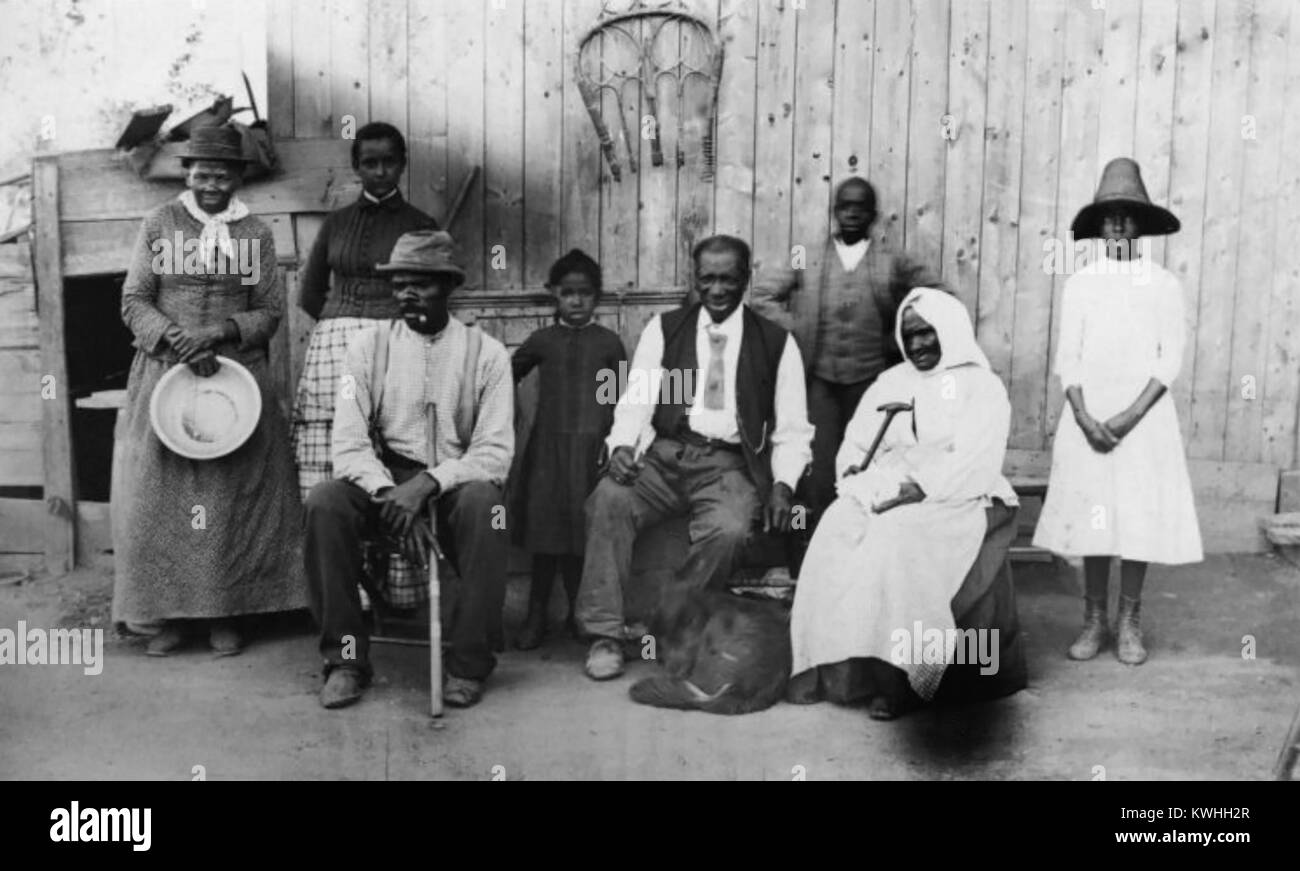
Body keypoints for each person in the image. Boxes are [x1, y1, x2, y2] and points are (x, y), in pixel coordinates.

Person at [576, 234, 814, 681]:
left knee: (730, 529)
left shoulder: (777, 343)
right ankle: (604, 634)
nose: (718, 290)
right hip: (665, 454)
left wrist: (783, 484)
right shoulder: (665, 329)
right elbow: (636, 400)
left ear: (746, 279)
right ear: (695, 279)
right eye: (708, 279)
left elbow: (793, 428)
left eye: (728, 279)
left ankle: (673, 626)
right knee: (608, 499)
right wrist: (622, 447)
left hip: (728, 465)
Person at [111, 125, 306, 656]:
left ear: (240, 176)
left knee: (229, 497)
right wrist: (176, 339)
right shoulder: (159, 223)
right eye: (202, 172)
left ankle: (227, 614)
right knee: (163, 498)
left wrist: (218, 334)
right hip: (166, 374)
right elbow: (134, 299)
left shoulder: (255, 234)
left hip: (235, 379)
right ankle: (170, 617)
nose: (212, 182)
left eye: (223, 173)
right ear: (186, 172)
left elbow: (269, 309)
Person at [787, 287, 1025, 720]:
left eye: (927, 333)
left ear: (949, 330)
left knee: (896, 538)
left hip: (957, 493)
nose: (917, 345)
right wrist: (855, 474)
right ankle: (831, 668)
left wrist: (922, 487)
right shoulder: (891, 382)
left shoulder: (981, 386)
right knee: (836, 525)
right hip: (890, 487)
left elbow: (977, 458)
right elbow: (857, 443)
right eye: (909, 334)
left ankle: (903, 679)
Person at [303, 230, 513, 710]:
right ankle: (346, 660)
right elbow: (349, 444)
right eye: (398, 285)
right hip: (385, 483)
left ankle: (468, 663)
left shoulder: (489, 355)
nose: (407, 295)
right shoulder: (366, 349)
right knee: (324, 503)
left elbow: (495, 452)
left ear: (448, 286)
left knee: (489, 508)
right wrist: (389, 492)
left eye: (421, 284)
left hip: (455, 483)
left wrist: (430, 483)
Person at [1033, 157, 1203, 666]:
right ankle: (1094, 619)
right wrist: (1085, 419)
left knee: (1137, 515)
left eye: (1129, 215)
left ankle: (1129, 620)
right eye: (1111, 217)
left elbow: (1166, 360)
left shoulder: (1163, 285)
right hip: (1090, 420)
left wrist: (1129, 417)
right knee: (1095, 516)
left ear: (1143, 225)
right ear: (1099, 226)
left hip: (1143, 421)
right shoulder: (1081, 284)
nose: (1120, 225)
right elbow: (1070, 360)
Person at [752, 178, 940, 532]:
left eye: (861, 207)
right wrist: (798, 327)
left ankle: (867, 539)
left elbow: (940, 295)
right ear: (834, 211)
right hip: (821, 378)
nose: (852, 213)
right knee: (820, 465)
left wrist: (902, 336)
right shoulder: (805, 253)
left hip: (871, 380)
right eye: (845, 206)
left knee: (872, 459)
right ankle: (817, 540)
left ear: (873, 214)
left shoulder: (892, 259)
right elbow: (762, 296)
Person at [509, 249, 627, 649]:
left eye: (586, 293)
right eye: (568, 293)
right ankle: (536, 614)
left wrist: (614, 443)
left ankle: (582, 615)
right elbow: (503, 375)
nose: (576, 301)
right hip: (547, 452)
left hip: (591, 449)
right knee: (545, 533)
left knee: (582, 534)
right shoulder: (542, 340)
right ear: (554, 295)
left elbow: (620, 398)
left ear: (598, 297)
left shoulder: (609, 344)